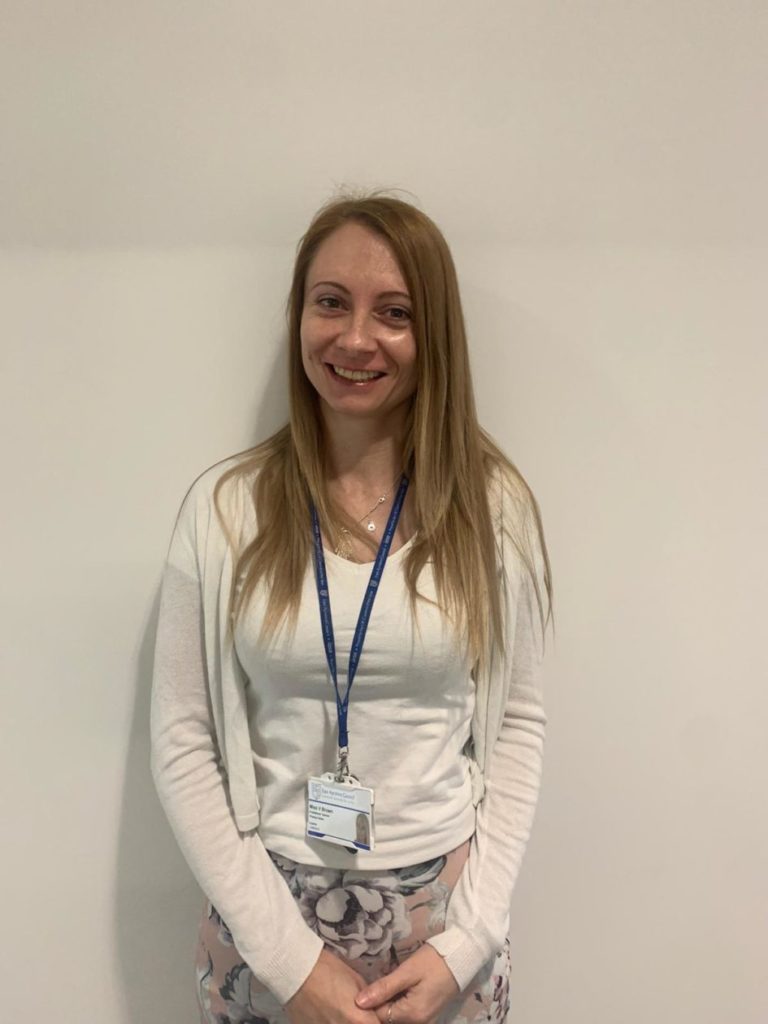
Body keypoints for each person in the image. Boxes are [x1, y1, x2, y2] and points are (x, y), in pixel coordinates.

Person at [150, 193, 552, 1024]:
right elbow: (183, 741)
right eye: (331, 302)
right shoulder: (225, 510)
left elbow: (518, 724)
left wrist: (468, 940)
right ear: (299, 314)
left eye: (394, 312)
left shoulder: (494, 509)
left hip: (446, 931)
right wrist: (291, 965)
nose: (356, 338)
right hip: (267, 920)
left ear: (432, 334)